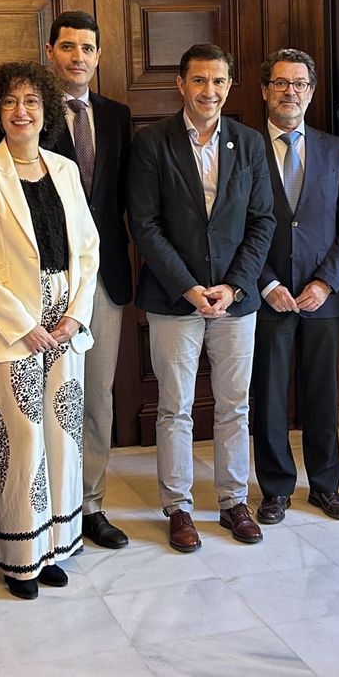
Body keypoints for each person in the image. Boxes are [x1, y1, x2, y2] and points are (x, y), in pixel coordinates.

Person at [0, 61, 100, 598]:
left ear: (47, 111)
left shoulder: (64, 169)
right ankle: (21, 558)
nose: (22, 111)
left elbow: (88, 247)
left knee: (63, 439)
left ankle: (56, 546)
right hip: (9, 328)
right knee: (20, 443)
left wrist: (75, 315)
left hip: (65, 325)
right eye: (11, 101)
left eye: (32, 101)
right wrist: (25, 325)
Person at [129, 44, 275, 551]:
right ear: (181, 84)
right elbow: (144, 224)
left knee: (235, 405)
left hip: (236, 299)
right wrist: (188, 287)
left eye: (217, 81)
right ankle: (179, 508)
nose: (208, 91)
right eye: (198, 80)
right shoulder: (152, 143)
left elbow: (262, 221)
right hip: (174, 299)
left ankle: (234, 501)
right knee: (175, 407)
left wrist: (233, 286)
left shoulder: (249, 143)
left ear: (229, 86)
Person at [250, 48, 339, 524]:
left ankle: (325, 486)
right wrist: (266, 283)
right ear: (265, 90)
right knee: (269, 398)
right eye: (280, 83)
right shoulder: (246, 147)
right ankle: (275, 489)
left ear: (312, 92)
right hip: (267, 298)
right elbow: (233, 228)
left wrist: (327, 281)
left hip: (322, 298)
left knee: (322, 396)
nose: (290, 92)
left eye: (299, 84)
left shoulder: (336, 149)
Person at [44, 10, 133, 550]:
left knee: (97, 394)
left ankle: (91, 504)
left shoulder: (118, 116)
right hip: (46, 276)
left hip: (105, 276)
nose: (78, 56)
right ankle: (50, 505)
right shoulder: (29, 110)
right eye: (68, 46)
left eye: (87, 48)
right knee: (50, 394)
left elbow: (128, 198)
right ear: (50, 52)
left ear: (98, 56)